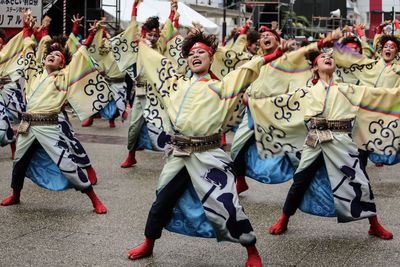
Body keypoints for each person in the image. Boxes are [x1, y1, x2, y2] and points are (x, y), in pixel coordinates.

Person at [124, 25, 288, 265]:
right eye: (190, 54)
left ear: (211, 58)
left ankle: (252, 251)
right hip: (179, 153)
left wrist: (272, 56)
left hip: (208, 154)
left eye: (201, 53)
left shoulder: (220, 86)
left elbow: (246, 70)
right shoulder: (175, 84)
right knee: (162, 201)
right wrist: (139, 42)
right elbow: (154, 61)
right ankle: (149, 244)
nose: (195, 56)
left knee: (228, 205)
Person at [248, 48, 399, 239]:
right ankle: (284, 219)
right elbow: (281, 103)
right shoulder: (306, 91)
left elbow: (380, 95)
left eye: (330, 57)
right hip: (315, 139)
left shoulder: (348, 89)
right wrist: (253, 103)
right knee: (300, 181)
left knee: (360, 181)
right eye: (323, 57)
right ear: (315, 67)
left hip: (342, 140)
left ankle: (374, 225)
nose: (328, 58)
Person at [0, 10, 108, 213]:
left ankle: (94, 198)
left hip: (50, 127)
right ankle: (15, 194)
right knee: (19, 162)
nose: (52, 55)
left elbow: (79, 55)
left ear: (63, 64)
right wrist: (26, 29)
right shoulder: (34, 73)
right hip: (28, 125)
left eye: (57, 55)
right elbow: (28, 51)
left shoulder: (65, 76)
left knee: (68, 163)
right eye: (50, 53)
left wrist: (89, 35)